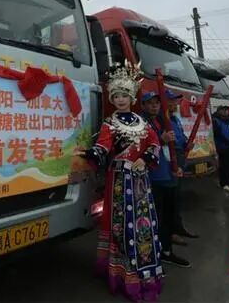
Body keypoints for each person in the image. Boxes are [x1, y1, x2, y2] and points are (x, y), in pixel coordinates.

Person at [75, 63, 163, 301]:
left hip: (141, 182)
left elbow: (155, 143)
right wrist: (89, 153)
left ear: (132, 97)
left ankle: (144, 272)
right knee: (121, 225)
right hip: (119, 182)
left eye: (124, 95)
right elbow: (103, 147)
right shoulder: (109, 123)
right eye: (116, 96)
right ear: (112, 99)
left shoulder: (142, 122)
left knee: (143, 225)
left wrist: (145, 159)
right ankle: (121, 273)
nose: (121, 99)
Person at [141, 91, 191, 268]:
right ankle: (152, 253)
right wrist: (160, 140)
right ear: (143, 105)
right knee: (156, 218)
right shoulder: (141, 123)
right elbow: (140, 147)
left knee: (168, 216)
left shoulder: (162, 121)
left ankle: (167, 251)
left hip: (168, 174)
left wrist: (178, 166)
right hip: (153, 178)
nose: (154, 106)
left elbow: (172, 149)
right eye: (150, 103)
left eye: (157, 102)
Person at [162, 90, 198, 246]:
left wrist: (187, 144)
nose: (174, 103)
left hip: (180, 157)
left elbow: (181, 137)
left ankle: (178, 227)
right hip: (169, 159)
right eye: (171, 101)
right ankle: (170, 233)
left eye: (175, 101)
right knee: (169, 199)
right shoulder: (162, 120)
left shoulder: (175, 119)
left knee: (177, 198)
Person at [212, 106, 229, 193]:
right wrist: (228, 142)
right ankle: (223, 183)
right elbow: (218, 134)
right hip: (222, 147)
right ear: (219, 111)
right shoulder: (215, 121)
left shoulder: (227, 122)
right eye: (224, 110)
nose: (226, 111)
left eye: (226, 110)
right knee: (223, 166)